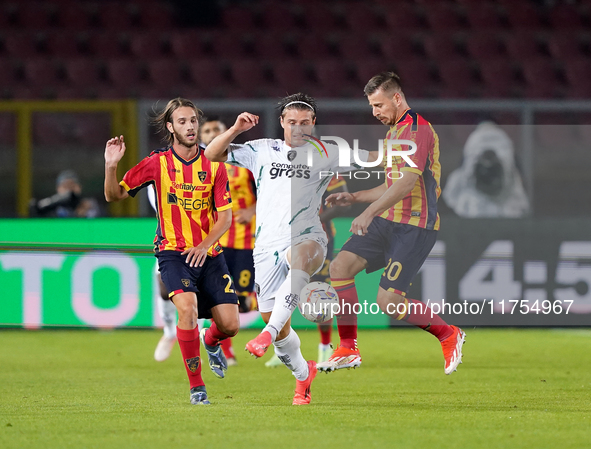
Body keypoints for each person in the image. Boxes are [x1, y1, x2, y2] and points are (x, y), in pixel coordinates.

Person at [205, 93, 370, 405]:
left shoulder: (328, 151)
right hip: (266, 246)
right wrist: (236, 129)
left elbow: (371, 157)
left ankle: (266, 333)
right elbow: (211, 156)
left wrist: (402, 154)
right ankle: (302, 374)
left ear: (313, 124)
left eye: (305, 123)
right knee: (284, 340)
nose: (298, 129)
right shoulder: (262, 149)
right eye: (292, 122)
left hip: (308, 236)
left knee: (299, 264)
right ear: (281, 122)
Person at [320, 72, 465, 375]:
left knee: (388, 301)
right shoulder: (394, 132)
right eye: (372, 106)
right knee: (339, 268)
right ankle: (348, 348)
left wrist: (368, 211)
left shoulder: (417, 130)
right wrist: (354, 196)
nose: (375, 113)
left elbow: (406, 183)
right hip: (388, 220)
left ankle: (449, 333)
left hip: (415, 225)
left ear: (397, 98)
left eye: (379, 105)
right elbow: (390, 182)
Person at [104, 98, 240, 405]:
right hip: (173, 252)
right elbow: (114, 195)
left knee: (230, 326)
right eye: (182, 122)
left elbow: (225, 217)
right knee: (187, 310)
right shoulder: (156, 163)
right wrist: (111, 165)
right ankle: (197, 387)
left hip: (209, 253)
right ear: (170, 127)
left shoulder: (214, 164)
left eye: (193, 120)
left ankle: (211, 340)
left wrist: (205, 246)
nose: (190, 127)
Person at [151, 116, 257, 366]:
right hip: (192, 242)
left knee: (241, 304)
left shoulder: (244, 162)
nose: (210, 134)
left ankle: (212, 339)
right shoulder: (186, 165)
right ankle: (179, 336)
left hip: (242, 241)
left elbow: (267, 191)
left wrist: (253, 210)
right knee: (167, 288)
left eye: (216, 130)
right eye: (206, 130)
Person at [442, 121, 530, 218]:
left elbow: (451, 194)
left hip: (503, 202)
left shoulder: (502, 146)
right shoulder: (475, 144)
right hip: (477, 203)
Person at [29, 170, 101, 218]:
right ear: (58, 188)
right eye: (65, 186)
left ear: (79, 187)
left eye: (72, 186)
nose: (69, 190)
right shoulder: (52, 206)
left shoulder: (90, 205)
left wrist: (84, 214)